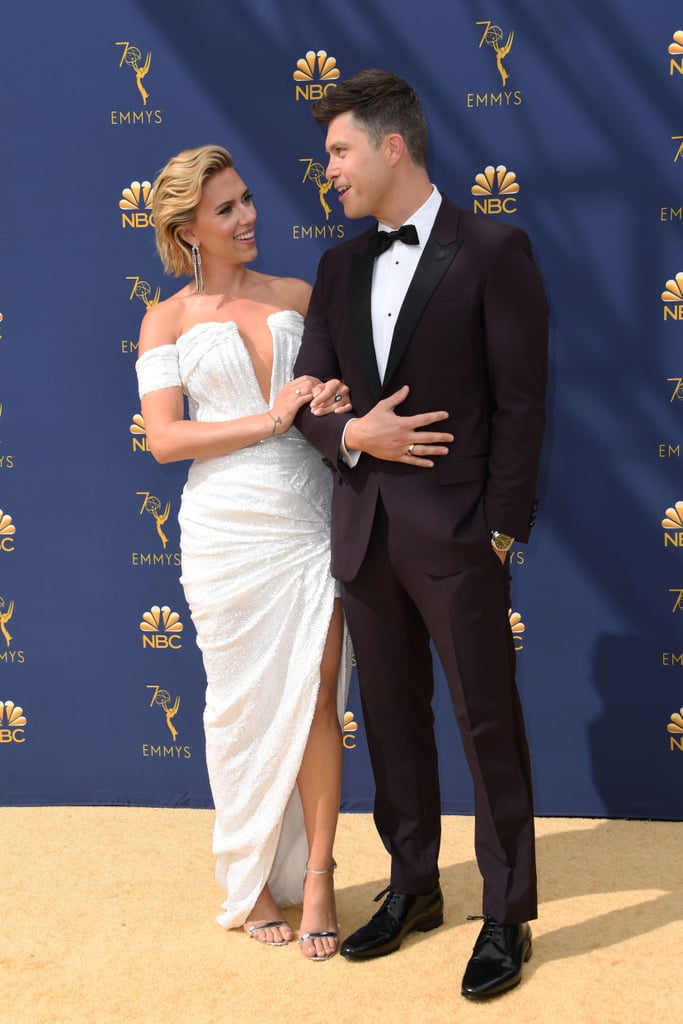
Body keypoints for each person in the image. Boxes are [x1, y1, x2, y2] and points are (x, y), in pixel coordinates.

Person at [294, 70, 548, 998]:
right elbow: (310, 398)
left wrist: (498, 531)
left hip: (456, 535)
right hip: (363, 530)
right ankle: (411, 886)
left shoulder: (493, 249)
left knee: (487, 725)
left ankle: (507, 913)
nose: (329, 171)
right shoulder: (336, 266)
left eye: (339, 151)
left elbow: (522, 405)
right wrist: (349, 432)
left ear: (391, 147)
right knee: (394, 724)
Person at [135, 145, 352, 962]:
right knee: (237, 706)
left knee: (320, 697)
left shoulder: (300, 295)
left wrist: (330, 400)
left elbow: (334, 402)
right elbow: (164, 439)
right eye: (224, 209)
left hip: (306, 517)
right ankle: (254, 876)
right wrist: (268, 418)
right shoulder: (166, 319)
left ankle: (321, 874)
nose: (247, 216)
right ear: (188, 229)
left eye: (247, 199)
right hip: (226, 527)